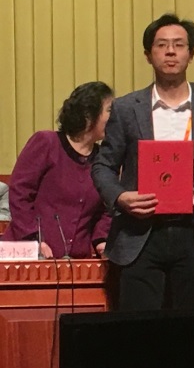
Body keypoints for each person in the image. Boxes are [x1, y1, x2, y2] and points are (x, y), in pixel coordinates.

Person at [92, 15, 194, 310]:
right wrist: (120, 197)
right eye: (162, 45)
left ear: (191, 54)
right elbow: (102, 166)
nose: (170, 52)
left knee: (192, 330)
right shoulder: (126, 108)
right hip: (139, 236)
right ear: (148, 55)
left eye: (179, 45)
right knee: (139, 330)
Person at [2, 82, 114, 258]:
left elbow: (107, 209)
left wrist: (101, 240)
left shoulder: (104, 159)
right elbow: (19, 194)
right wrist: (34, 239)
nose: (115, 117)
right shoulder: (46, 142)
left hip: (76, 263)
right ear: (88, 114)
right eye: (109, 110)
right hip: (27, 255)